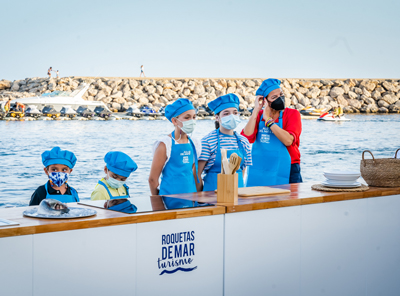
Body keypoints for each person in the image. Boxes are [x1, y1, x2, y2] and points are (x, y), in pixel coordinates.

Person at [241, 78, 302, 186]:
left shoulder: (292, 114)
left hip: (288, 169)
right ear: (265, 101)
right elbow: (246, 137)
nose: (280, 99)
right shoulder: (259, 116)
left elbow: (288, 140)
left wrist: (268, 120)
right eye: (274, 97)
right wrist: (256, 110)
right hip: (262, 168)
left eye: (281, 94)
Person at [148, 98, 201, 203]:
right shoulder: (165, 145)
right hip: (169, 201)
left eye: (194, 117)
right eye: (187, 117)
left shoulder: (195, 143)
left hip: (192, 200)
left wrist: (199, 199)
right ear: (175, 121)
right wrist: (159, 205)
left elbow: (194, 175)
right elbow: (153, 180)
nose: (192, 121)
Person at [198, 94, 252, 191]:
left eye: (235, 113)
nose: (232, 116)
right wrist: (202, 198)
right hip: (212, 196)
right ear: (217, 118)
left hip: (238, 195)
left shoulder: (243, 141)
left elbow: (242, 171)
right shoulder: (208, 141)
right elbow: (197, 175)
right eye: (226, 113)